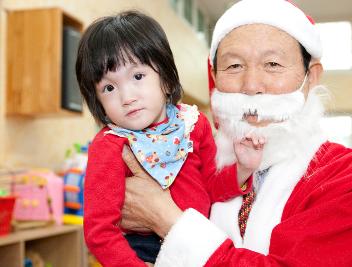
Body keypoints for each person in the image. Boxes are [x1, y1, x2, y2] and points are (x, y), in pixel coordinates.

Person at [119, 0, 352, 266]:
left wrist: (165, 219)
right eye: (234, 66)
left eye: (272, 64)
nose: (251, 86)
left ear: (312, 77)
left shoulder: (351, 180)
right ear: (214, 77)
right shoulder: (194, 167)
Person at [75, 10, 264, 267]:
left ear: (164, 77)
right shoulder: (110, 145)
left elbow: (212, 187)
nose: (127, 97)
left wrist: (243, 168)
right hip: (141, 252)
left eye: (138, 76)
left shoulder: (193, 125)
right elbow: (99, 231)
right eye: (109, 87)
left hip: (199, 243)